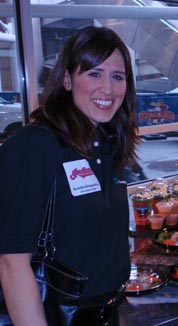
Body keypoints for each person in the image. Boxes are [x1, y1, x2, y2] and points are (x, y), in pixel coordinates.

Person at [0, 26, 139, 325]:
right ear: (66, 79)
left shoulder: (108, 146)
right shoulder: (36, 146)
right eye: (94, 74)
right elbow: (12, 261)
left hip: (107, 313)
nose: (108, 88)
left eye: (118, 77)